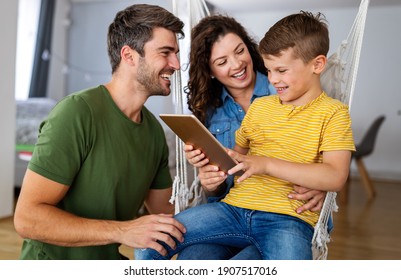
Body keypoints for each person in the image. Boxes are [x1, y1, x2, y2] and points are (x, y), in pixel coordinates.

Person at [136, 12, 348, 260]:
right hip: (233, 209)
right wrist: (208, 168)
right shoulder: (258, 107)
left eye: (280, 70)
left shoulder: (333, 112)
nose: (273, 79)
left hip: (288, 219)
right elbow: (235, 161)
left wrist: (271, 166)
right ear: (211, 71)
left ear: (318, 65)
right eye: (270, 71)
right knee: (150, 242)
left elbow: (334, 175)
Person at [13, 4, 187, 260]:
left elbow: (164, 213)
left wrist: (207, 182)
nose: (176, 64)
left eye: (176, 53)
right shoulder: (76, 114)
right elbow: (27, 219)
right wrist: (123, 231)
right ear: (128, 56)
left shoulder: (154, 132)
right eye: (166, 52)